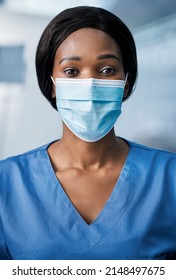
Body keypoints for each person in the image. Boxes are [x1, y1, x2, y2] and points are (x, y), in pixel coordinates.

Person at [0, 6, 176, 260]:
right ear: (52, 85)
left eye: (107, 70)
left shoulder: (168, 178)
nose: (90, 83)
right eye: (71, 71)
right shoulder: (7, 183)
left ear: (125, 83)